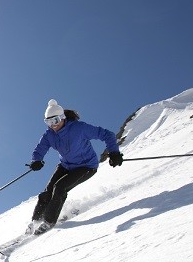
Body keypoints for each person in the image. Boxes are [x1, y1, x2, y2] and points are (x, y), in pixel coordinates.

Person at [28, 99, 123, 235]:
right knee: (46, 192)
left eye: (54, 121)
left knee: (59, 188)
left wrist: (114, 152)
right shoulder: (49, 134)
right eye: (48, 122)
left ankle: (48, 221)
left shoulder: (79, 128)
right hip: (66, 165)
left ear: (62, 118)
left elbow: (107, 134)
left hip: (86, 166)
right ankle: (35, 221)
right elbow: (40, 148)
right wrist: (36, 160)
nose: (52, 125)